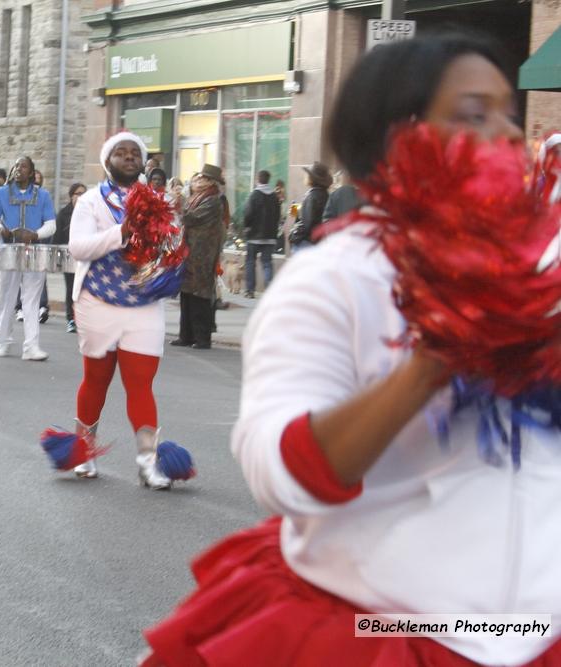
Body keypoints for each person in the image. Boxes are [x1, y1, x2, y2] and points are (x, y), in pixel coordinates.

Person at [142, 33, 561, 666]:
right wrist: (436, 359)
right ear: (399, 136)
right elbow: (279, 475)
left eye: (508, 112)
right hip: (382, 633)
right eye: (475, 114)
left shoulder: (537, 272)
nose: (507, 135)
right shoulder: (335, 277)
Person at [64, 132, 188, 487]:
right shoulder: (90, 201)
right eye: (121, 152)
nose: (130, 157)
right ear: (108, 161)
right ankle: (83, 453)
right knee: (97, 380)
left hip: (144, 304)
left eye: (136, 152)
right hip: (98, 302)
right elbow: (79, 248)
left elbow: (173, 245)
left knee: (141, 385)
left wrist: (170, 249)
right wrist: (123, 232)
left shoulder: (160, 201)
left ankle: (149, 461)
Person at [0, 156, 55, 361]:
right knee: (6, 297)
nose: (18, 169)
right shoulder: (1, 193)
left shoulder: (43, 195)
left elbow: (50, 224)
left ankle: (31, 346)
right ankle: (3, 341)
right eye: (16, 165)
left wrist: (35, 235)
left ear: (32, 172)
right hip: (7, 251)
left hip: (34, 252)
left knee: (32, 300)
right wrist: (1, 230)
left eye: (23, 166)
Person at [171, 165, 225, 350]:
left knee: (200, 296)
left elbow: (191, 218)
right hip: (191, 251)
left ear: (210, 182)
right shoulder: (197, 198)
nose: (197, 182)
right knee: (187, 294)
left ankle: (202, 337)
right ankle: (186, 335)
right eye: (196, 179)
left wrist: (179, 206)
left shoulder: (213, 200)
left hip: (203, 254)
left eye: (201, 179)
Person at [241, 169, 281, 298]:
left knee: (250, 262)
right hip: (270, 237)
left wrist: (246, 227)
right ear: (268, 180)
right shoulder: (274, 196)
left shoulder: (254, 195)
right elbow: (278, 216)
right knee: (267, 263)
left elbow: (248, 214)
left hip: (254, 236)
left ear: (258, 179)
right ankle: (269, 291)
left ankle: (250, 291)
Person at [53, 182, 87, 333]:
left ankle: (83, 318)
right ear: (71, 196)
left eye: (83, 193)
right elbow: (57, 236)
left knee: (84, 289)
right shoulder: (64, 213)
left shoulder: (90, 212)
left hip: (85, 256)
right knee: (71, 287)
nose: (81, 197)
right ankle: (71, 318)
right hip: (68, 256)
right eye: (78, 193)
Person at [289, 161, 332, 249]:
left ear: (312, 178)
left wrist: (295, 234)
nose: (305, 176)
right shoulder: (324, 194)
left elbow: (308, 222)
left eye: (307, 174)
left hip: (304, 241)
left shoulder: (312, 195)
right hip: (315, 241)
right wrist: (298, 210)